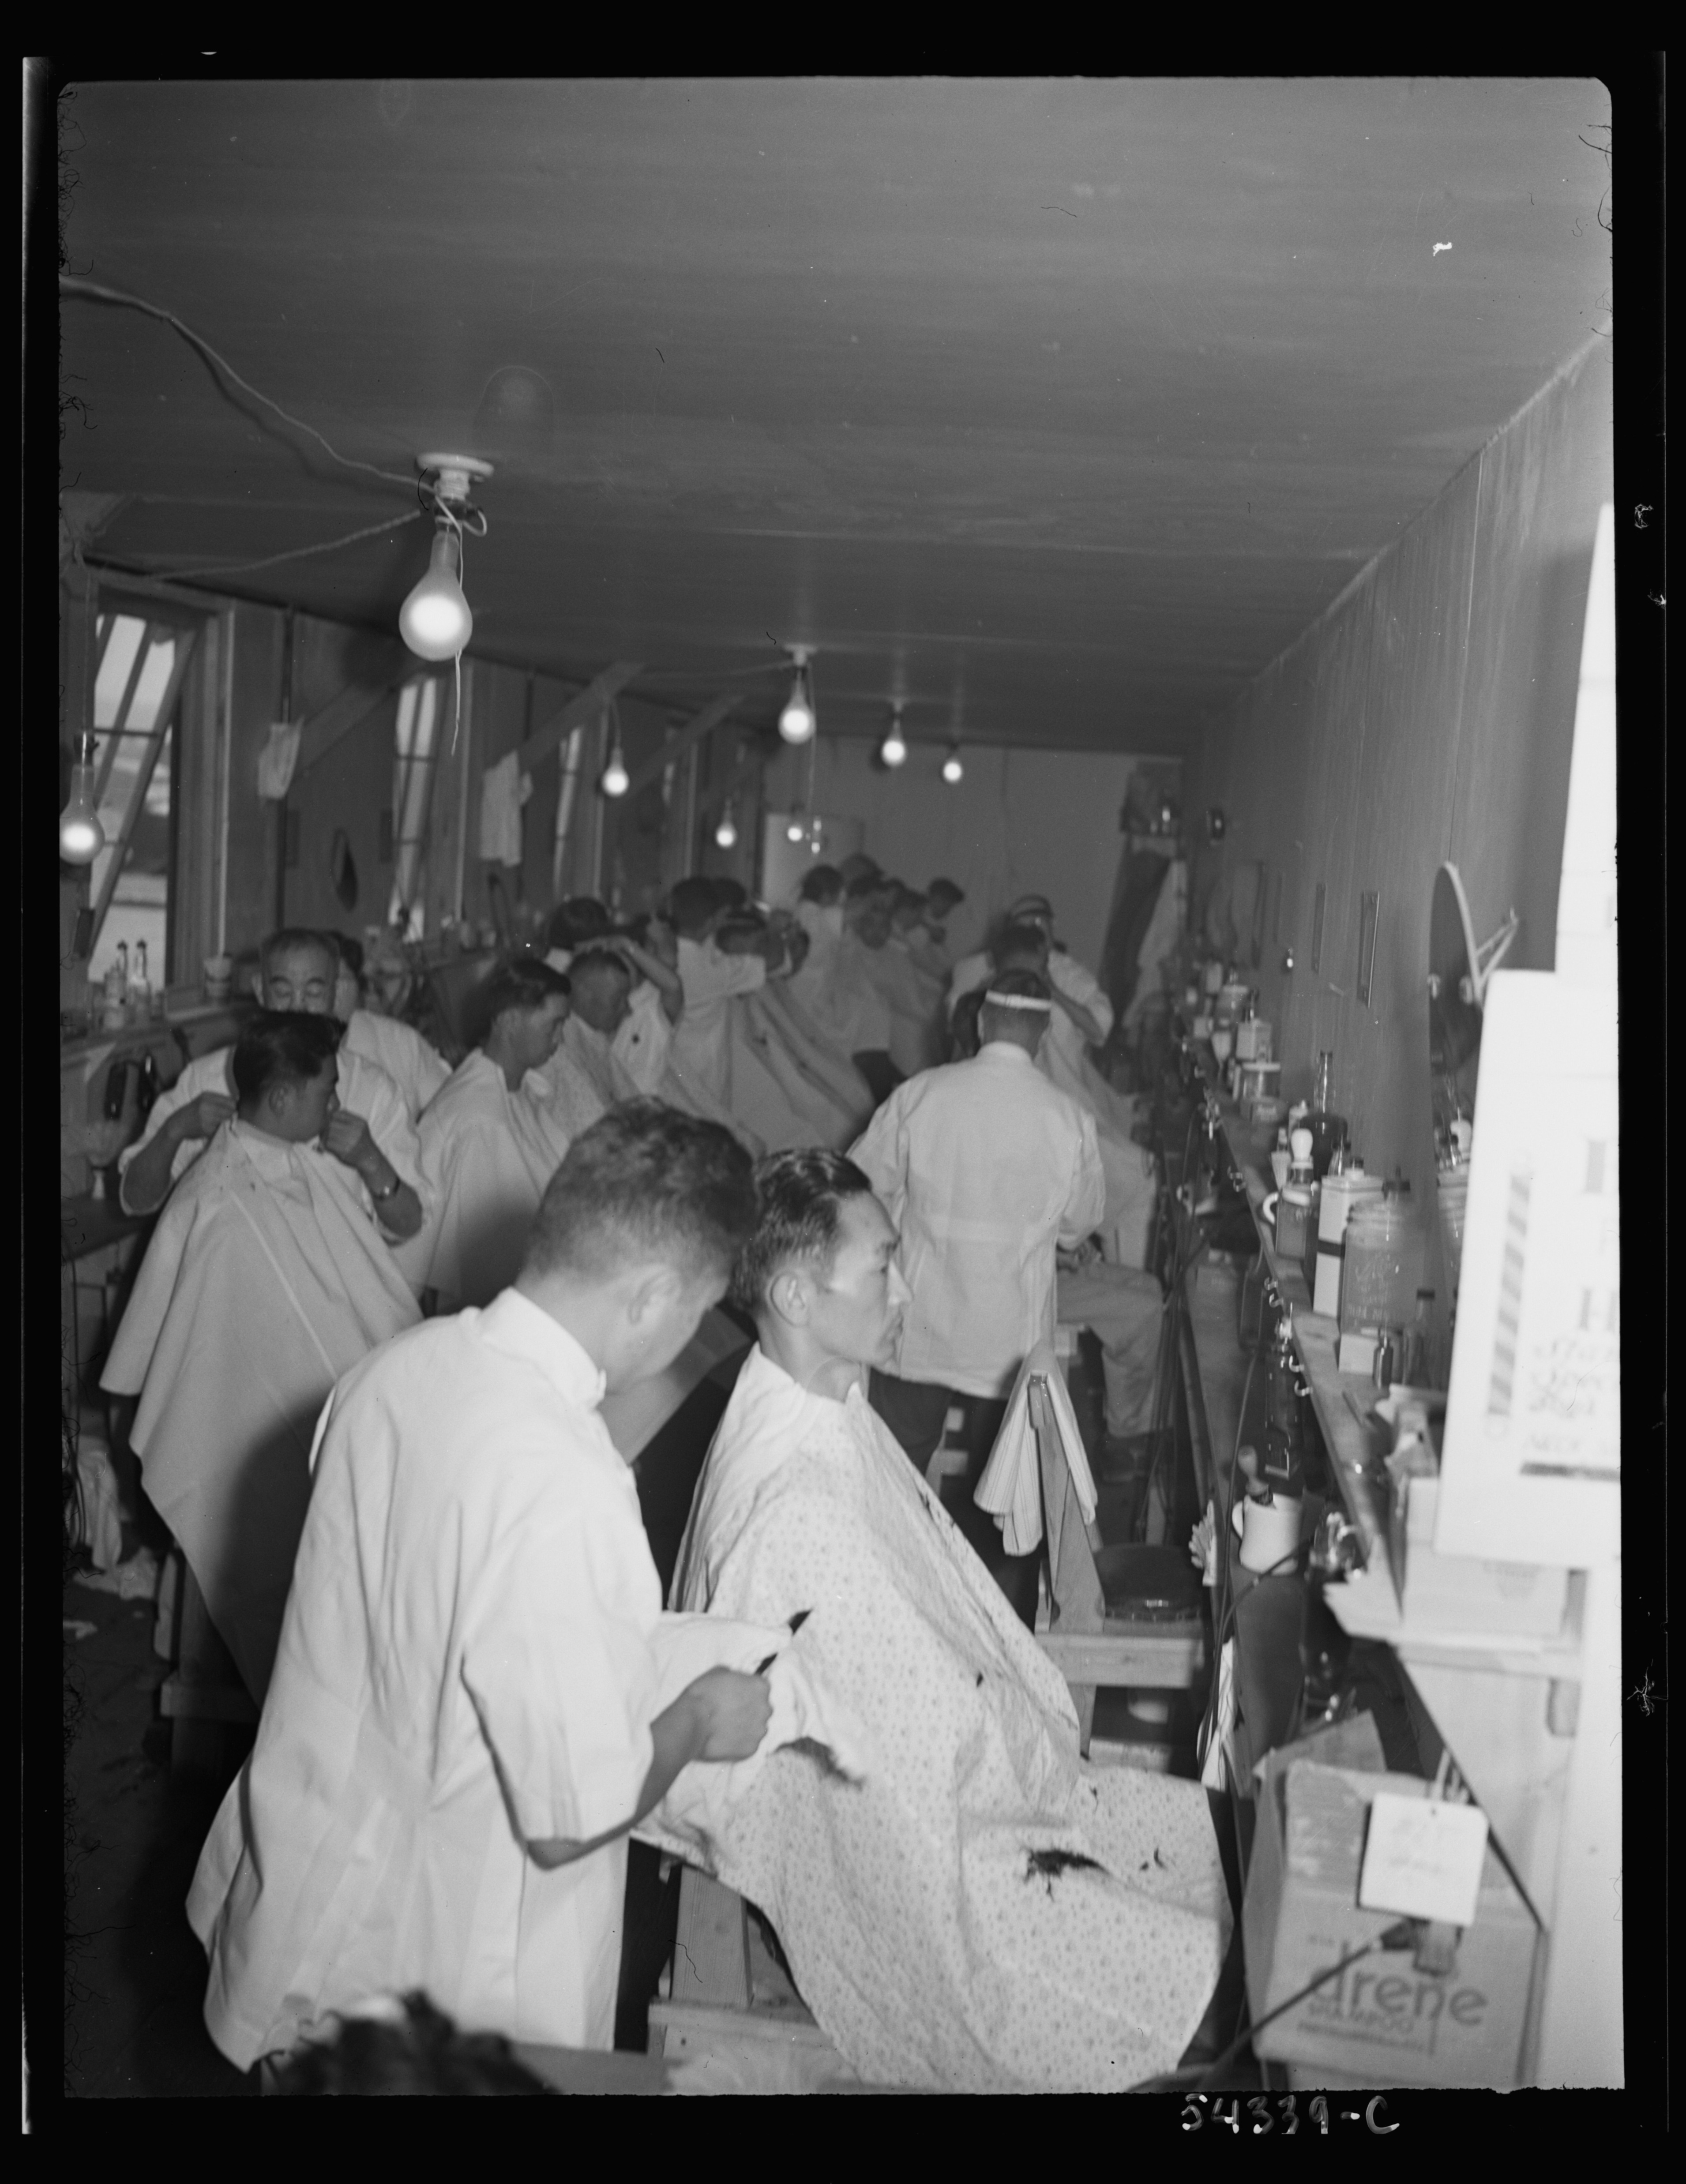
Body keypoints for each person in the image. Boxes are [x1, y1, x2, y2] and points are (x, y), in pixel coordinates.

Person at [188, 1103, 775, 2068]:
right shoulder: (567, 1481)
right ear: (650, 1296)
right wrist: (700, 1719)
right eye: (696, 1311)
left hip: (304, 1885)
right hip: (440, 1966)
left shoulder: (389, 1371)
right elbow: (571, 1815)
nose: (686, 1337)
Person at [661, 1149, 1229, 2094]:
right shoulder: (790, 1499)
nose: (903, 1289)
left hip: (965, 1783)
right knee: (1199, 1965)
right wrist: (1014, 1759)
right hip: (922, 1859)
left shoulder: (819, 1403)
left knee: (1216, 1845)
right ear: (796, 1297)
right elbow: (896, 1782)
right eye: (882, 1264)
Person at [100, 1012, 421, 1704]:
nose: (336, 1105)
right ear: (281, 1099)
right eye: (327, 1092)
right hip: (250, 1433)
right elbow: (248, 1351)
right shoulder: (221, 1200)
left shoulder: (300, 1157)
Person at [849, 968, 1106, 1624]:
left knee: (894, 1466)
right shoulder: (1068, 1118)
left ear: (980, 1023)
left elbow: (860, 1186)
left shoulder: (922, 1094)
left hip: (921, 1327)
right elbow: (1078, 1225)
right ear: (1043, 1035)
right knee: (1016, 1486)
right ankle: (997, 1613)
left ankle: (885, 1593)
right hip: (1009, 1347)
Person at [119, 928, 427, 1250]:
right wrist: (175, 1130)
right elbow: (135, 1201)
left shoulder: (373, 1091)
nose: (298, 1008)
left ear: (336, 994)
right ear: (260, 991)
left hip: (331, 1276)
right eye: (283, 992)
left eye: (313, 993)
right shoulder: (207, 1078)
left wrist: (371, 1161)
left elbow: (409, 1226)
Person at [400, 962, 577, 1311]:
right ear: (509, 1021)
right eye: (554, 1025)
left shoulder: (514, 1088)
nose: (561, 1039)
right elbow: (492, 1263)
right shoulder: (481, 1117)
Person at [327, 931, 451, 1122]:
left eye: (339, 982)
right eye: (315, 987)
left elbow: (447, 1108)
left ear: (360, 986)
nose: (328, 996)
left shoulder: (400, 1042)